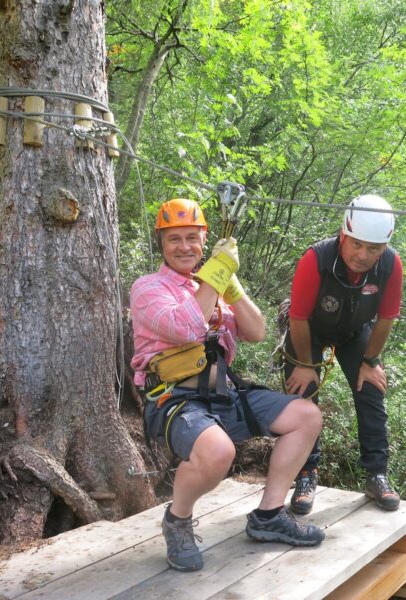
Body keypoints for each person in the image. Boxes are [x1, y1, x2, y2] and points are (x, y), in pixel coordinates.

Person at [130, 198, 325, 572]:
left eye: (192, 238)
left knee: (306, 416)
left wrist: (231, 287)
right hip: (176, 401)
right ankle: (178, 521)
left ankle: (269, 516)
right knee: (219, 453)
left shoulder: (213, 287)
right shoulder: (148, 288)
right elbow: (186, 328)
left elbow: (257, 331)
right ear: (162, 244)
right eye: (175, 240)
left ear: (204, 241)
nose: (184, 247)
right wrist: (213, 277)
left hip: (225, 396)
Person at [281, 194, 403, 514]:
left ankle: (377, 473)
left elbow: (387, 317)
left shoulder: (390, 265)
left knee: (371, 389)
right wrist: (307, 365)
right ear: (343, 234)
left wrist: (370, 362)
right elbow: (298, 318)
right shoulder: (316, 259)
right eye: (357, 245)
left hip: (353, 331)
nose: (363, 255)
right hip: (309, 329)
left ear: (384, 247)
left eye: (373, 249)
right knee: (302, 395)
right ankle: (306, 474)